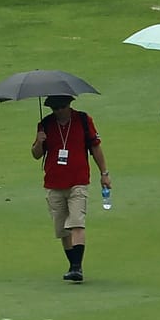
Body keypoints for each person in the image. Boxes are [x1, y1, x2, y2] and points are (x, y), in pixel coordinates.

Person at [30, 95, 111, 284]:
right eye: (55, 108)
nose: (59, 111)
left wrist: (104, 173)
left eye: (62, 106)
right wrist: (39, 142)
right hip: (53, 183)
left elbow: (96, 148)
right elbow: (36, 155)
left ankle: (76, 268)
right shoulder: (45, 124)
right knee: (61, 230)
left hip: (78, 181)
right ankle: (74, 265)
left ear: (69, 105)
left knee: (77, 223)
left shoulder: (83, 120)